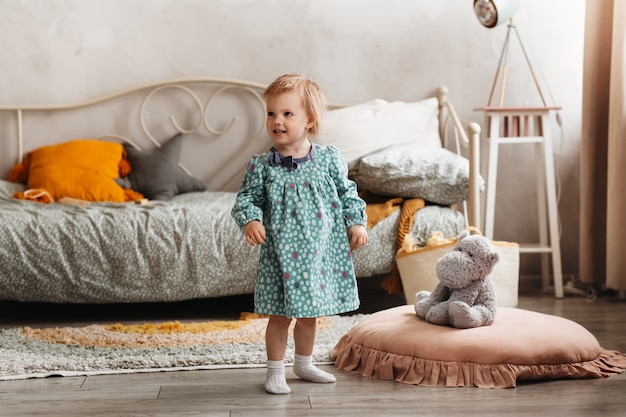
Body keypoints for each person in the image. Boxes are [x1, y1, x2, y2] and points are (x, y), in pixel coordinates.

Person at [231, 73, 368, 394]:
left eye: (287, 113)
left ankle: (304, 363)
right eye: (271, 113)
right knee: (280, 315)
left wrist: (356, 221)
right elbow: (247, 198)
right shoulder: (262, 165)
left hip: (319, 253)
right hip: (282, 255)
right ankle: (274, 370)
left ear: (310, 120)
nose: (277, 120)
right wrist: (251, 220)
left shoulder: (329, 159)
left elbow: (348, 193)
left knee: (310, 315)